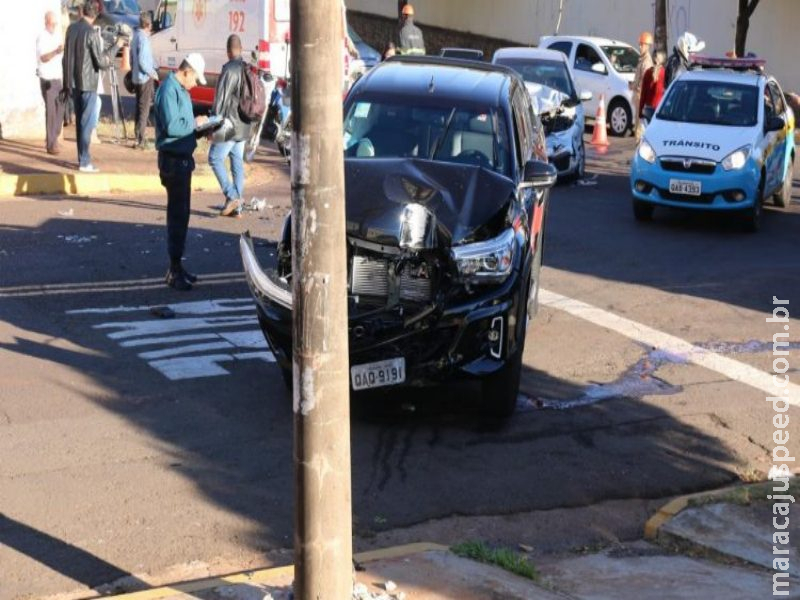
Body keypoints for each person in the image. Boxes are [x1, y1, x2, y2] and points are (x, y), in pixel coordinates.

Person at [154, 53, 208, 291]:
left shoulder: (181, 91)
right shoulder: (168, 90)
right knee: (177, 216)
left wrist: (202, 128)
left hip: (182, 159)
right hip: (173, 161)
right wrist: (195, 125)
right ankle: (173, 269)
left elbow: (183, 124)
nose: (196, 84)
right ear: (186, 71)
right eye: (195, 78)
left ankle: (177, 266)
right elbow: (173, 125)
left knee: (182, 215)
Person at [62, 0, 122, 172]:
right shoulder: (92, 33)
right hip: (88, 84)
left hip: (73, 82)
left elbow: (66, 56)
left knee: (81, 122)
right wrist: (116, 45)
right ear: (96, 14)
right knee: (86, 123)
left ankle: (82, 158)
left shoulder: (71, 29)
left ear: (82, 11)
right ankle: (85, 161)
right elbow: (102, 62)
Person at [209, 35, 249, 218]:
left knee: (215, 158)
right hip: (244, 124)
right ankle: (237, 207)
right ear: (241, 49)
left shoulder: (229, 69)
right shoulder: (247, 68)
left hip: (229, 124)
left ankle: (232, 196)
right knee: (237, 164)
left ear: (228, 51)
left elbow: (221, 101)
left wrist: (212, 126)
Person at [37, 11, 65, 155]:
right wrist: (56, 51)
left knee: (61, 108)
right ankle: (51, 144)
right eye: (52, 23)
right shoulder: (42, 37)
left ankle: (53, 135)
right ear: (46, 22)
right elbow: (43, 57)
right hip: (47, 79)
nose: (54, 25)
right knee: (51, 112)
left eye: (55, 23)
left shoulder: (57, 35)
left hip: (57, 77)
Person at [130, 12, 159, 149]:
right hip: (144, 78)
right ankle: (140, 139)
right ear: (147, 25)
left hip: (137, 77)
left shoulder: (135, 36)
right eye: (151, 23)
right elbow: (143, 60)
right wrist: (152, 73)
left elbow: (132, 58)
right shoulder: (144, 39)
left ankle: (137, 135)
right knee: (144, 109)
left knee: (139, 106)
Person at [631, 31, 653, 139]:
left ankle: (638, 152)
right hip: (638, 97)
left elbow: (645, 82)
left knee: (639, 130)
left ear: (647, 46)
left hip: (641, 99)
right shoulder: (642, 60)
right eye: (639, 44)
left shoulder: (646, 62)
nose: (640, 47)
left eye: (642, 44)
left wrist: (637, 88)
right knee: (637, 127)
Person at [639, 50, 667, 126]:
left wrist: (640, 113)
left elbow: (643, 94)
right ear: (662, 60)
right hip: (659, 108)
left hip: (648, 108)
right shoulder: (664, 73)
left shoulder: (647, 72)